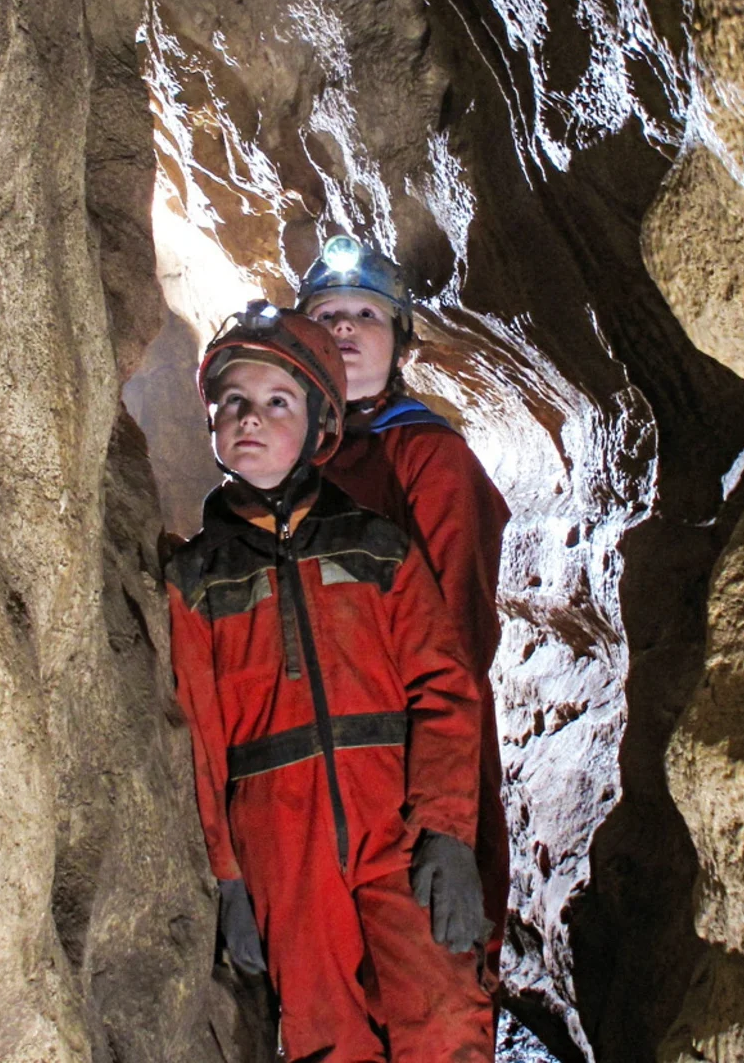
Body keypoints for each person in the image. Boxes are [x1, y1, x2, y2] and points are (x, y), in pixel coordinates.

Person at [165, 302, 495, 1061]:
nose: (251, 418)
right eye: (234, 404)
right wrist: (229, 881)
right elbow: (202, 743)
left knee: (447, 1018)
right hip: (284, 850)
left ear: (318, 426)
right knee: (328, 1039)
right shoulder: (197, 580)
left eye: (277, 402)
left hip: (397, 830)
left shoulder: (379, 549)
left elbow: (444, 690)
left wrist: (446, 831)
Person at [299, 236, 513, 989]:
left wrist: (447, 824)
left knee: (432, 995)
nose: (347, 331)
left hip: (412, 773)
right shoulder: (281, 467)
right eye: (327, 316)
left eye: (367, 315)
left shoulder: (427, 459)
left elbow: (454, 645)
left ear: (400, 342)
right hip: (314, 783)